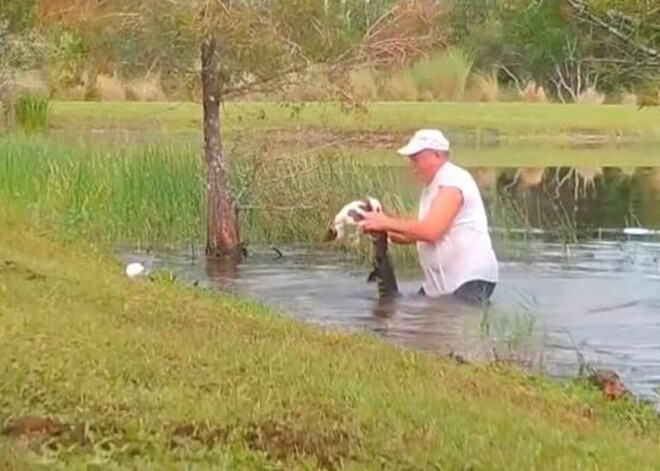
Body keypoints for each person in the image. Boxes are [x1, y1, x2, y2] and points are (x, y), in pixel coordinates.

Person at [359, 129, 499, 303]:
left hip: (469, 280)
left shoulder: (452, 181)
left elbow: (432, 231)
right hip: (441, 284)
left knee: (434, 322)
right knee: (407, 317)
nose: (412, 162)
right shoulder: (433, 186)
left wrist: (385, 223)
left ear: (437, 155)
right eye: (411, 157)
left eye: (416, 157)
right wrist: (381, 232)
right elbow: (416, 233)